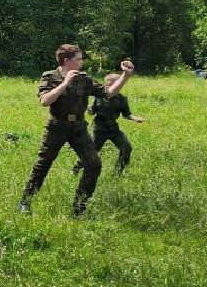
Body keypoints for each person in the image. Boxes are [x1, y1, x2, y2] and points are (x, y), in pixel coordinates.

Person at [21, 45, 134, 217]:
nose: (81, 62)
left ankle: (79, 208)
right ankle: (25, 202)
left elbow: (108, 92)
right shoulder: (50, 76)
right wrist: (65, 83)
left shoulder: (84, 79)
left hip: (79, 128)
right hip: (57, 126)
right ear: (66, 60)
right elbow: (45, 101)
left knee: (94, 164)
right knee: (43, 164)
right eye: (78, 59)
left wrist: (125, 75)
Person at [74, 76, 145, 175]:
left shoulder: (122, 99)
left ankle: (117, 172)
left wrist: (135, 118)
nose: (118, 84)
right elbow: (91, 112)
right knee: (93, 151)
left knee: (126, 148)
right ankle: (77, 166)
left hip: (114, 129)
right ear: (107, 84)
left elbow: (127, 114)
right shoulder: (98, 97)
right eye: (114, 82)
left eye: (118, 82)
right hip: (99, 128)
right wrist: (85, 106)